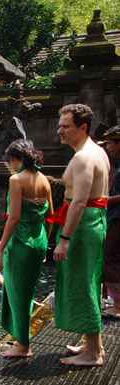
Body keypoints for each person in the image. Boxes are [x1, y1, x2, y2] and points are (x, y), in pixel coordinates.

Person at [52, 104, 109, 366]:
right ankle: (91, 342)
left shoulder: (84, 157)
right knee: (89, 280)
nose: (59, 131)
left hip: (82, 226)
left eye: (66, 126)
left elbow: (79, 201)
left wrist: (64, 239)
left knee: (83, 282)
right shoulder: (97, 151)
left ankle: (93, 353)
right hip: (92, 222)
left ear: (83, 127)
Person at [0, 139, 53, 358]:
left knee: (17, 292)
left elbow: (14, 218)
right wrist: (46, 243)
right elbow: (51, 216)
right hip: (38, 242)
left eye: (9, 161)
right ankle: (21, 338)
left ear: (15, 159)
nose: (9, 166)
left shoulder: (16, 180)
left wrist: (0, 249)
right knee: (27, 292)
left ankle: (23, 345)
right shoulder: (44, 179)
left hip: (20, 244)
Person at [101, 126, 120, 318]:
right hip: (114, 216)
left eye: (110, 143)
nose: (108, 147)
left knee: (111, 258)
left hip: (118, 218)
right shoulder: (117, 166)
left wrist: (102, 200)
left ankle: (118, 305)